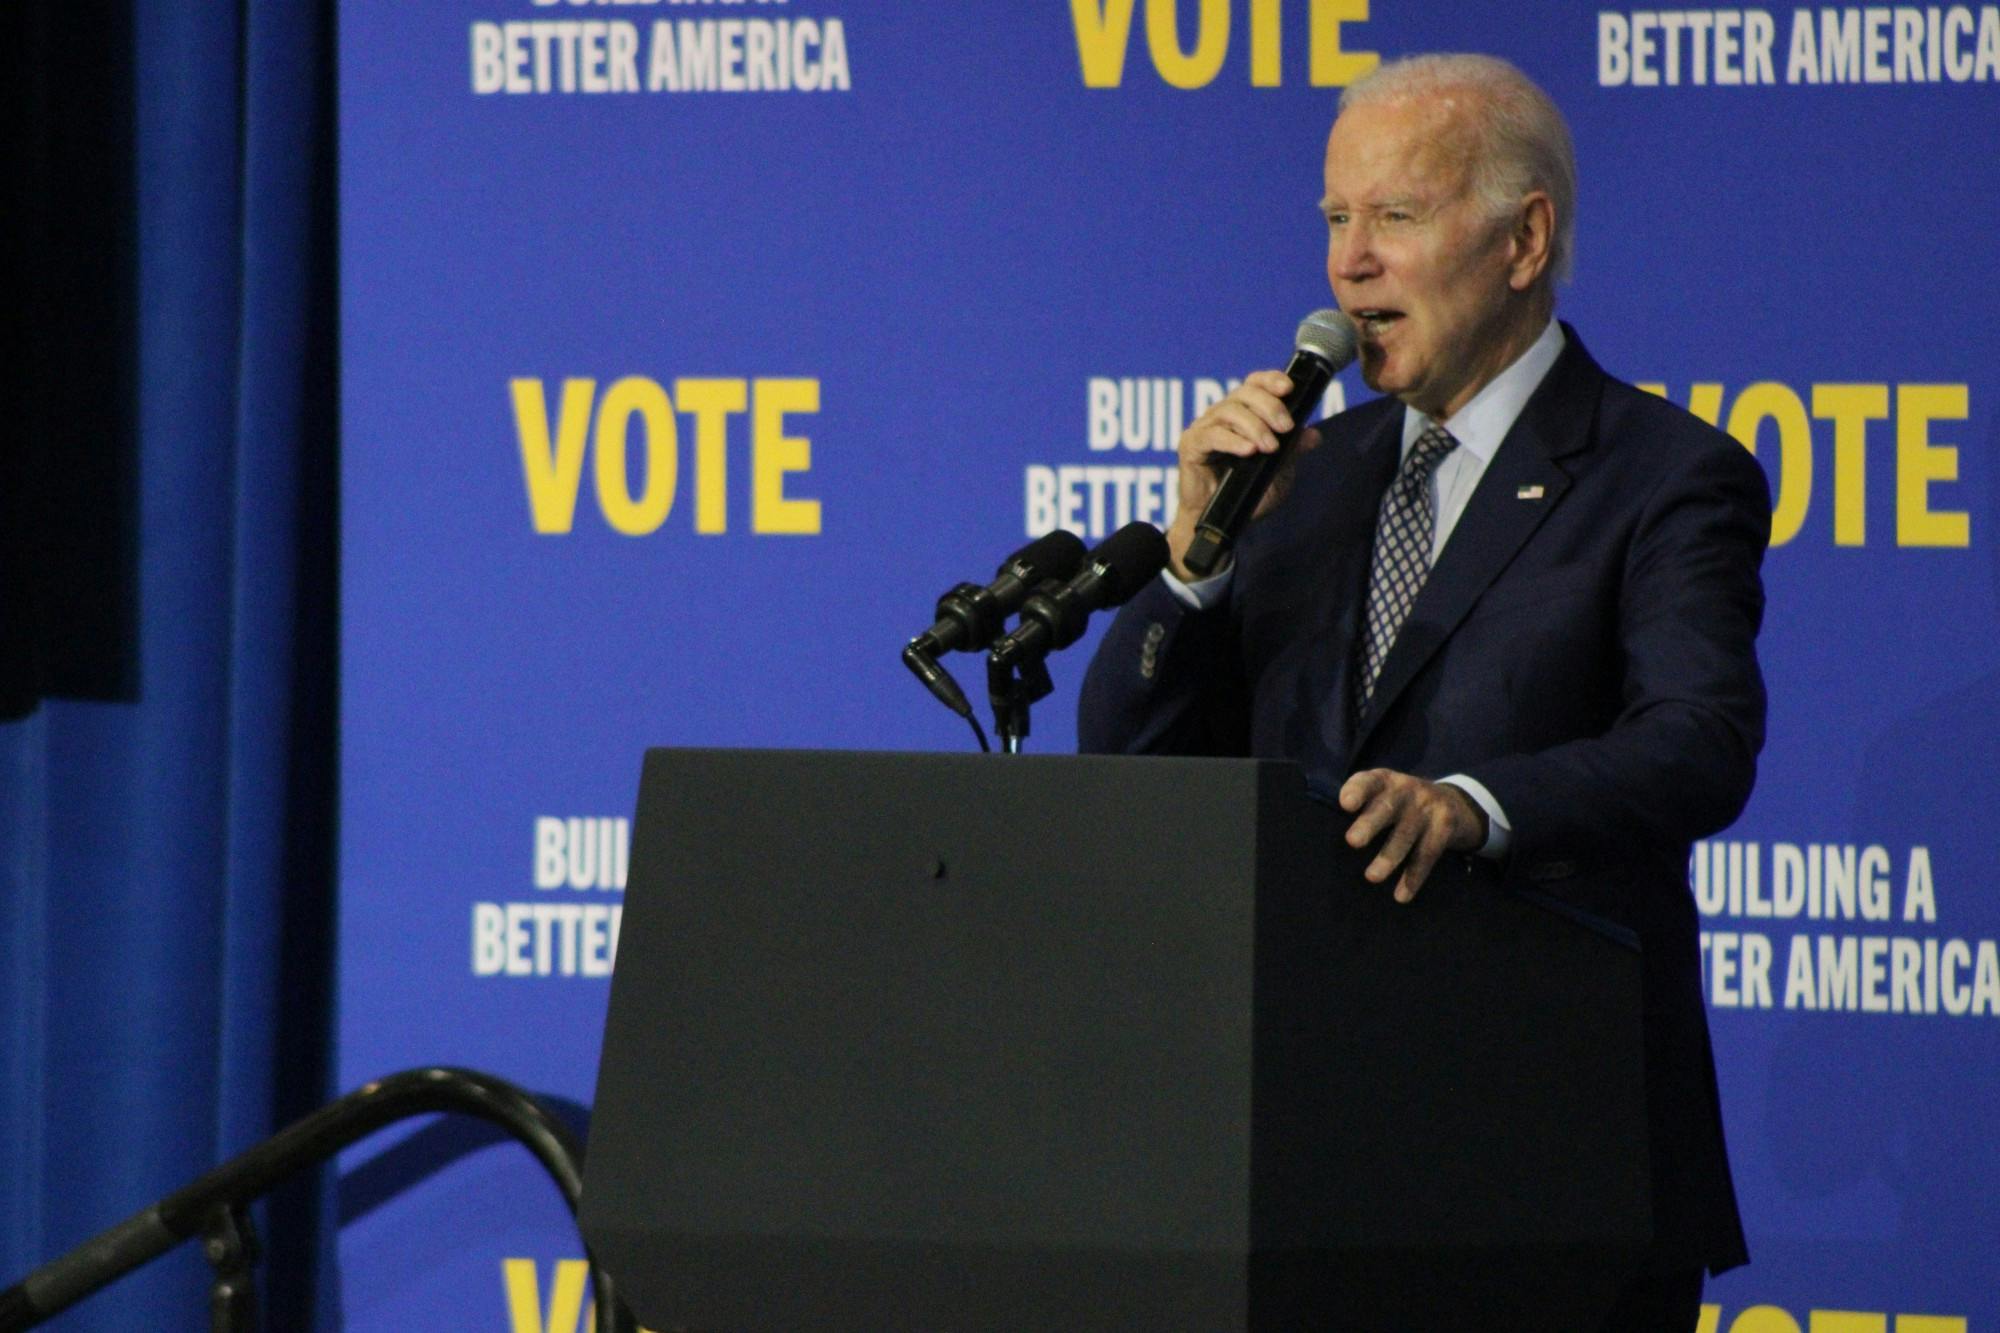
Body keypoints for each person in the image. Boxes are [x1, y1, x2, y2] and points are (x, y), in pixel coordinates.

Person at [1077, 53, 1767, 1330]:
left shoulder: (1662, 475)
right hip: (1303, 1163)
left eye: (1394, 215)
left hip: (1553, 1170)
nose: (1347, 265)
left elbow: (1697, 741)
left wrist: (1471, 806)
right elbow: (1127, 761)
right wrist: (1194, 561)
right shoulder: (1301, 473)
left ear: (1522, 241)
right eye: (1335, 218)